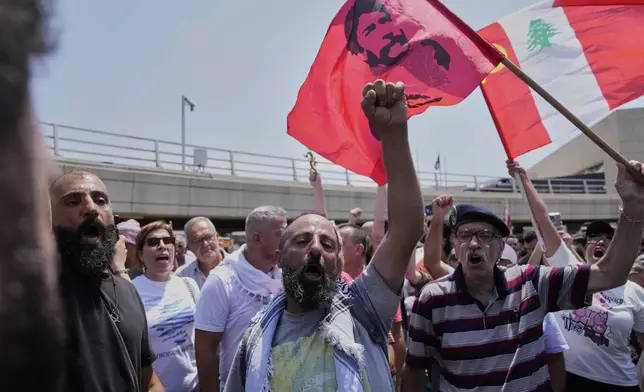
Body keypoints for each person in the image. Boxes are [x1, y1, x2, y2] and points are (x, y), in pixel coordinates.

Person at [224, 80, 424, 391]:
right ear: (278, 258)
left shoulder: (364, 309)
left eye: (327, 243)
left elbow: (407, 227)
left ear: (339, 261)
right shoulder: (254, 340)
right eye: (302, 241)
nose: (315, 248)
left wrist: (394, 134)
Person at [403, 155, 644, 392]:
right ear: (454, 245)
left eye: (485, 236)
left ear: (500, 247)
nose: (474, 244)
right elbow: (414, 369)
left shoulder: (531, 283)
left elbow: (610, 275)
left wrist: (633, 205)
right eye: (465, 235)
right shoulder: (432, 298)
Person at [51, 171, 164, 392]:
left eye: (101, 200)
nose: (92, 208)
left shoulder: (128, 292)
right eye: (73, 201)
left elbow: (149, 381)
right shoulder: (29, 299)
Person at [195, 206, 286, 392]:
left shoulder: (284, 275)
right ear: (257, 238)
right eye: (281, 235)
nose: (287, 242)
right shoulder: (222, 281)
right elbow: (205, 351)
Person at [132, 221, 201, 392]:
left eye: (167, 240)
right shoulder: (131, 290)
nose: (162, 246)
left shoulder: (188, 285)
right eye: (153, 242)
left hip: (195, 387)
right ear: (140, 254)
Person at [177, 217, 225, 289]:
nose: (205, 244)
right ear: (189, 247)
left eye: (208, 237)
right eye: (197, 241)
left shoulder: (238, 265)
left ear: (217, 237)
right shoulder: (182, 276)